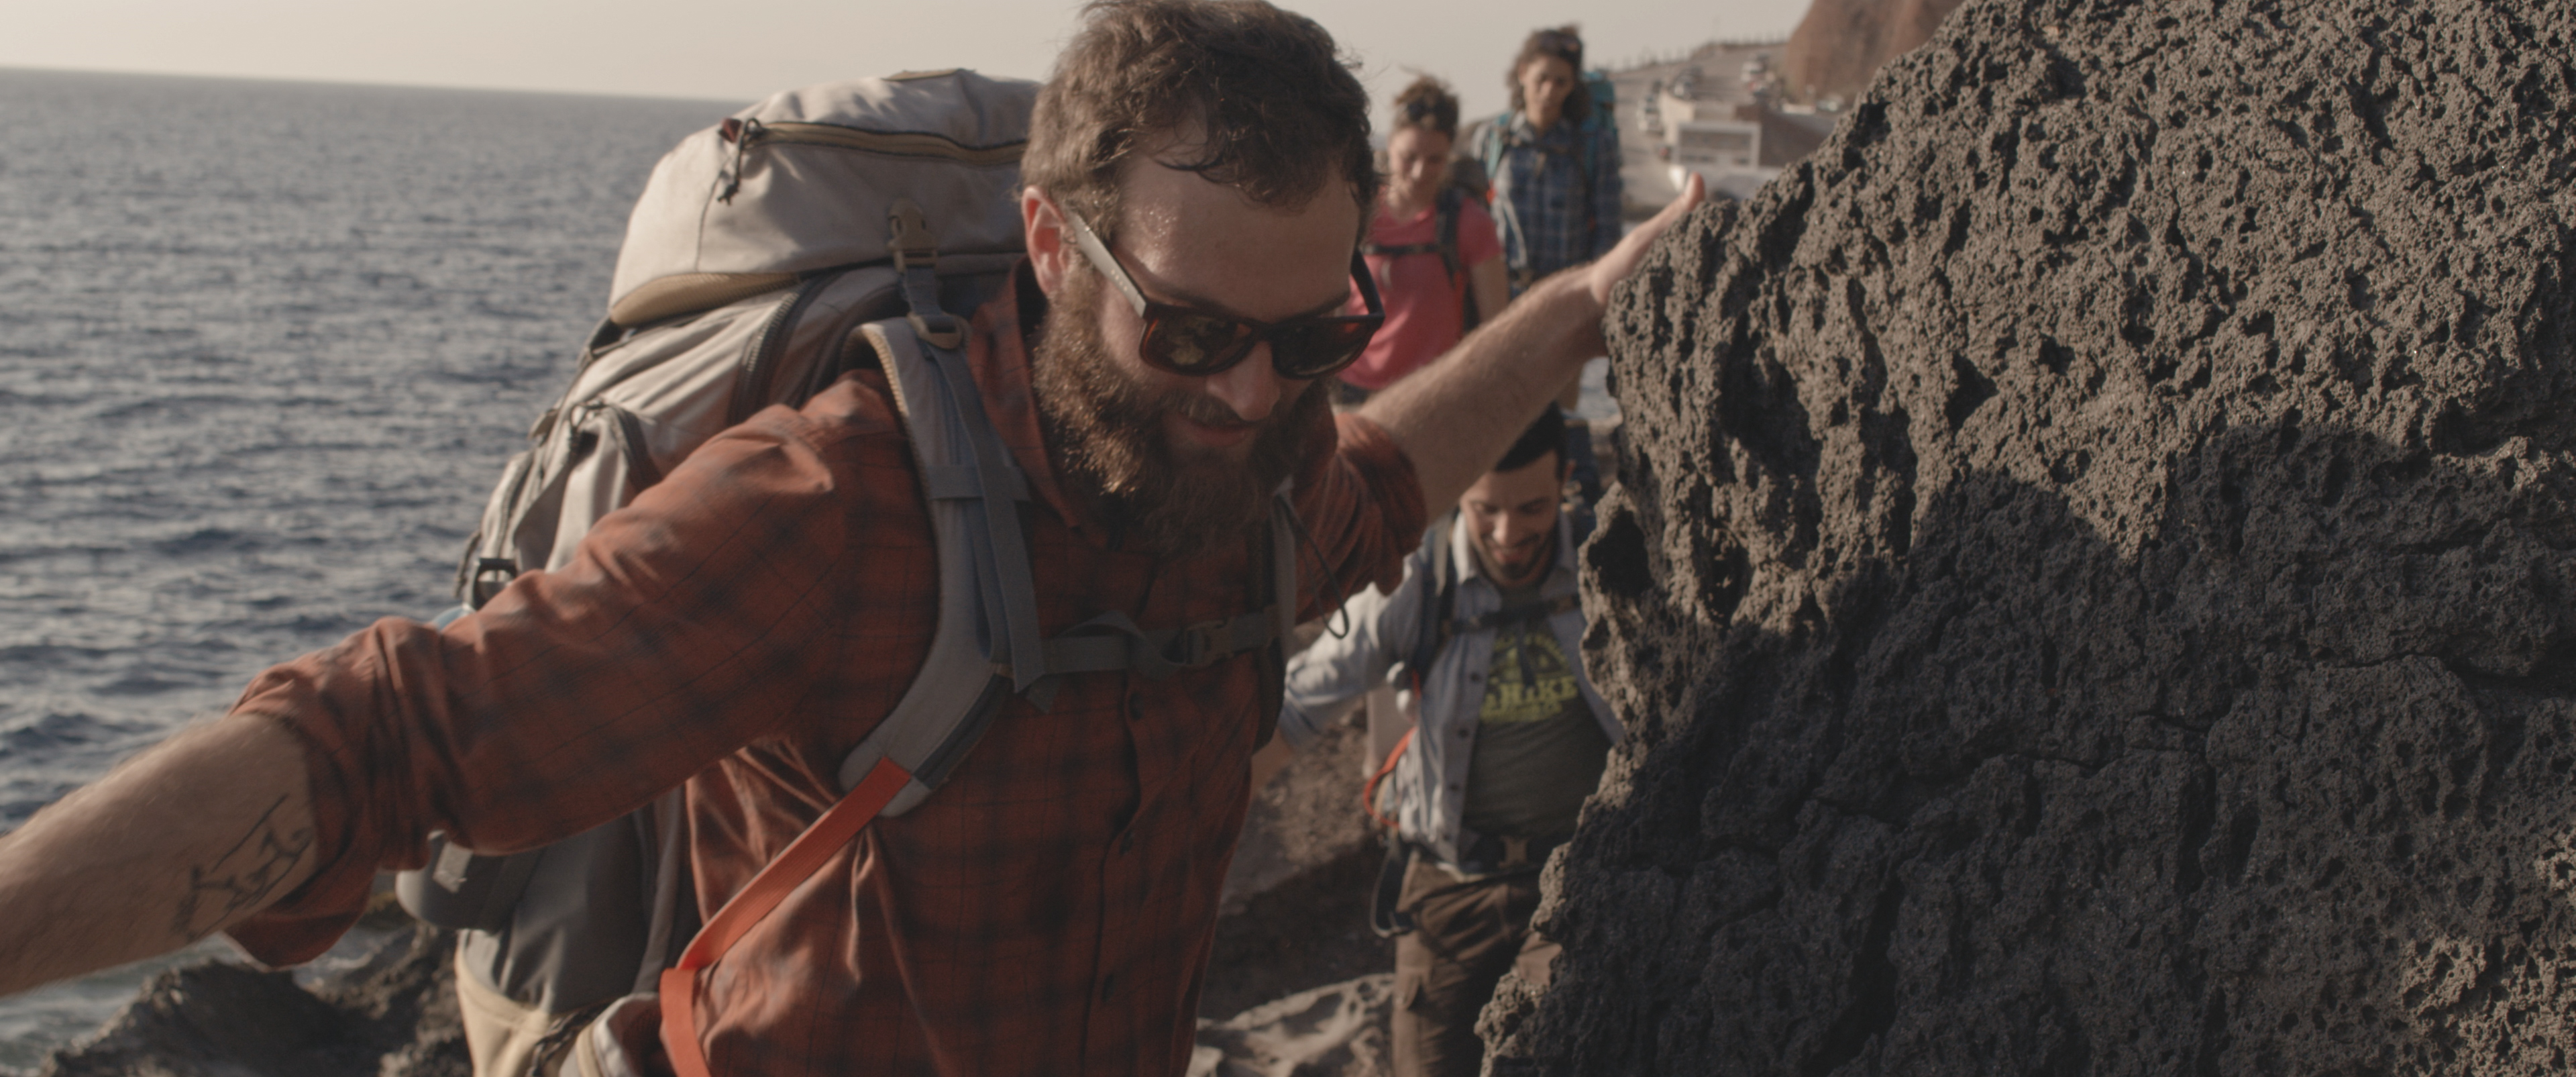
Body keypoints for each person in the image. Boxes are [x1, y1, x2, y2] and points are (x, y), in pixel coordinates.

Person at [0, 3, 1703, 1074]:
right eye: (1188, 333)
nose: (1253, 393)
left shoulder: (1245, 478)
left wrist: (1572, 314)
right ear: (1051, 247)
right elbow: (387, 739)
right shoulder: (833, 512)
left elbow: (1386, 480)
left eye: (1311, 336)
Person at [1256, 407, 1617, 1077]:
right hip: (1448, 879)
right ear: (1460, 493)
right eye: (1486, 510)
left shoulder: (1606, 565)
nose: (1508, 534)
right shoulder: (1421, 581)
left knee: (1552, 1051)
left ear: (1565, 479)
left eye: (1533, 509)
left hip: (1578, 877)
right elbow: (1297, 706)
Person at [1474, 25, 1624, 525]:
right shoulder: (1494, 138)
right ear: (1523, 75)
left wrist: (1594, 300)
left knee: (1558, 406)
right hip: (1504, 294)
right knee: (1502, 401)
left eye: (1561, 82)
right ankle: (1497, 498)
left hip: (1565, 295)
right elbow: (1475, 223)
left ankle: (1556, 507)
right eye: (1541, 79)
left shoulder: (1592, 144)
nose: (1549, 91)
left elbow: (1607, 230)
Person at [1334, 76, 1510, 407]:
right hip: (1353, 392)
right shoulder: (1355, 213)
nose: (1419, 173)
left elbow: (1496, 330)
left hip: (1433, 397)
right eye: (1409, 157)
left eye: (1434, 160)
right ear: (1389, 147)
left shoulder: (1469, 223)